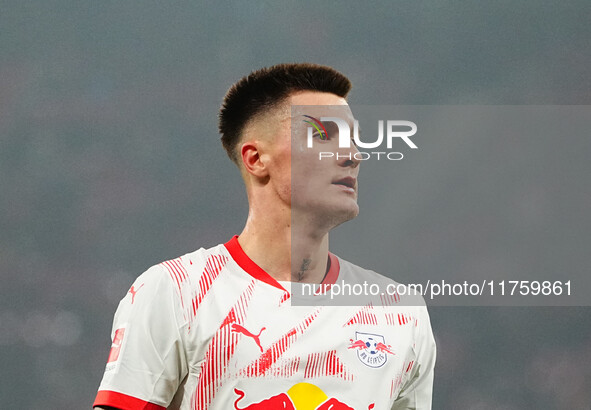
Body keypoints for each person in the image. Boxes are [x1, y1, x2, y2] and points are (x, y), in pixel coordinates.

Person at [93, 63, 436, 410]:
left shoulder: (400, 311)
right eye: (323, 136)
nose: (352, 156)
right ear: (256, 158)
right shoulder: (176, 291)